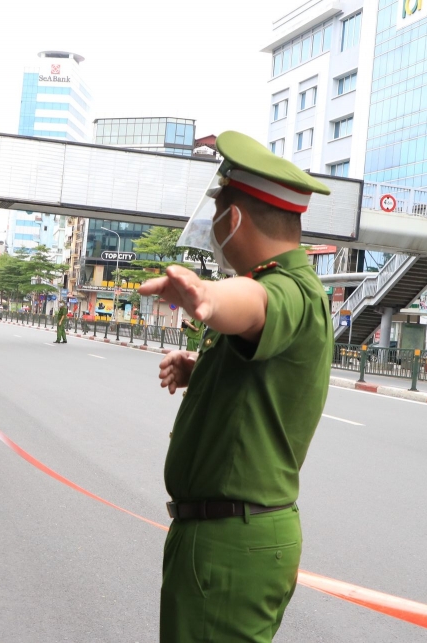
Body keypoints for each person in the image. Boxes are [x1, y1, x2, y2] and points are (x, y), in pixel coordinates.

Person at [139, 131, 332, 642]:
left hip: (228, 543)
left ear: (234, 218)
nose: (214, 222)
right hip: (226, 536)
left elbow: (251, 303)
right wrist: (200, 370)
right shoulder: (283, 283)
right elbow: (262, 388)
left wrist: (205, 295)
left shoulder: (288, 289)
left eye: (218, 208)